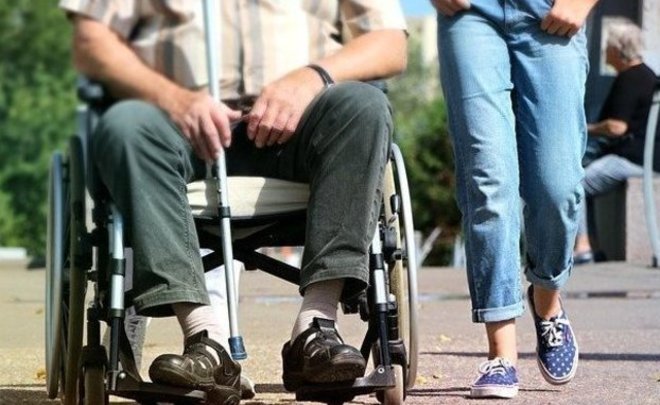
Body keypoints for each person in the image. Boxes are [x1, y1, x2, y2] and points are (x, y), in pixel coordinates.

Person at [58, 1, 407, 403]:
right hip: (176, 126)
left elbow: (389, 42)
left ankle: (316, 328)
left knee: (364, 106)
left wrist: (311, 77)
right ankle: (205, 339)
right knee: (125, 126)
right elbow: (92, 40)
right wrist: (173, 96)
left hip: (302, 124)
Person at [431, 0, 598, 399]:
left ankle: (547, 300)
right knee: (488, 181)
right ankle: (501, 355)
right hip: (470, 14)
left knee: (557, 185)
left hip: (550, 11)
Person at [573, 17, 659, 264]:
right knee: (582, 178)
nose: (604, 51)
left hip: (633, 158)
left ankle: (584, 246)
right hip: (643, 157)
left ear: (618, 49)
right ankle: (592, 245)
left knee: (576, 183)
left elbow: (616, 127)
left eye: (608, 46)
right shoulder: (646, 75)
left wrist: (584, 128)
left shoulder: (631, 78)